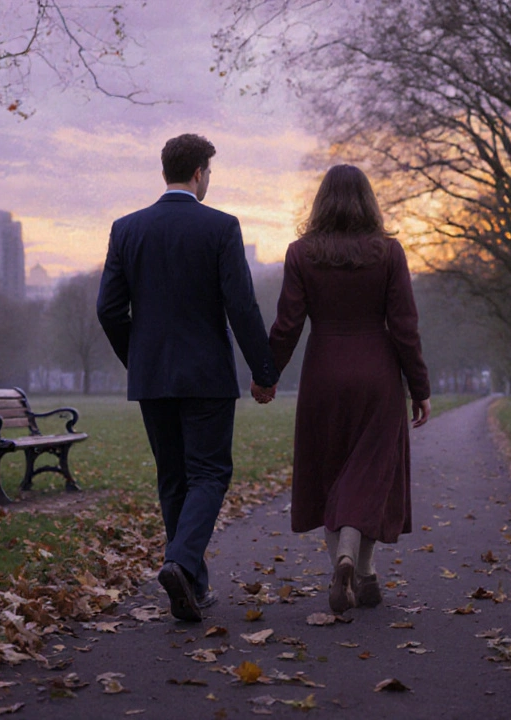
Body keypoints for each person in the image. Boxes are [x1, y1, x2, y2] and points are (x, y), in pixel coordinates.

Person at [97, 134, 279, 622]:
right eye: (210, 174)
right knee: (210, 473)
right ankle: (179, 563)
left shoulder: (126, 229)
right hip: (207, 376)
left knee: (174, 477)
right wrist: (263, 371)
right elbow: (240, 304)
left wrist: (138, 358)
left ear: (166, 172)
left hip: (153, 375)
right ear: (199, 173)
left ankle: (191, 586)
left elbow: (109, 309)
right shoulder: (220, 227)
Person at [256, 164, 430, 614]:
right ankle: (360, 567)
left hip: (323, 374)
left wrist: (266, 374)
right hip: (378, 373)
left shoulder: (300, 253)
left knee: (331, 472)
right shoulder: (389, 253)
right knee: (371, 474)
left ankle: (349, 566)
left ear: (321, 202)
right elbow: (406, 327)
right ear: (369, 201)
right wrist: (420, 386)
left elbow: (288, 324)